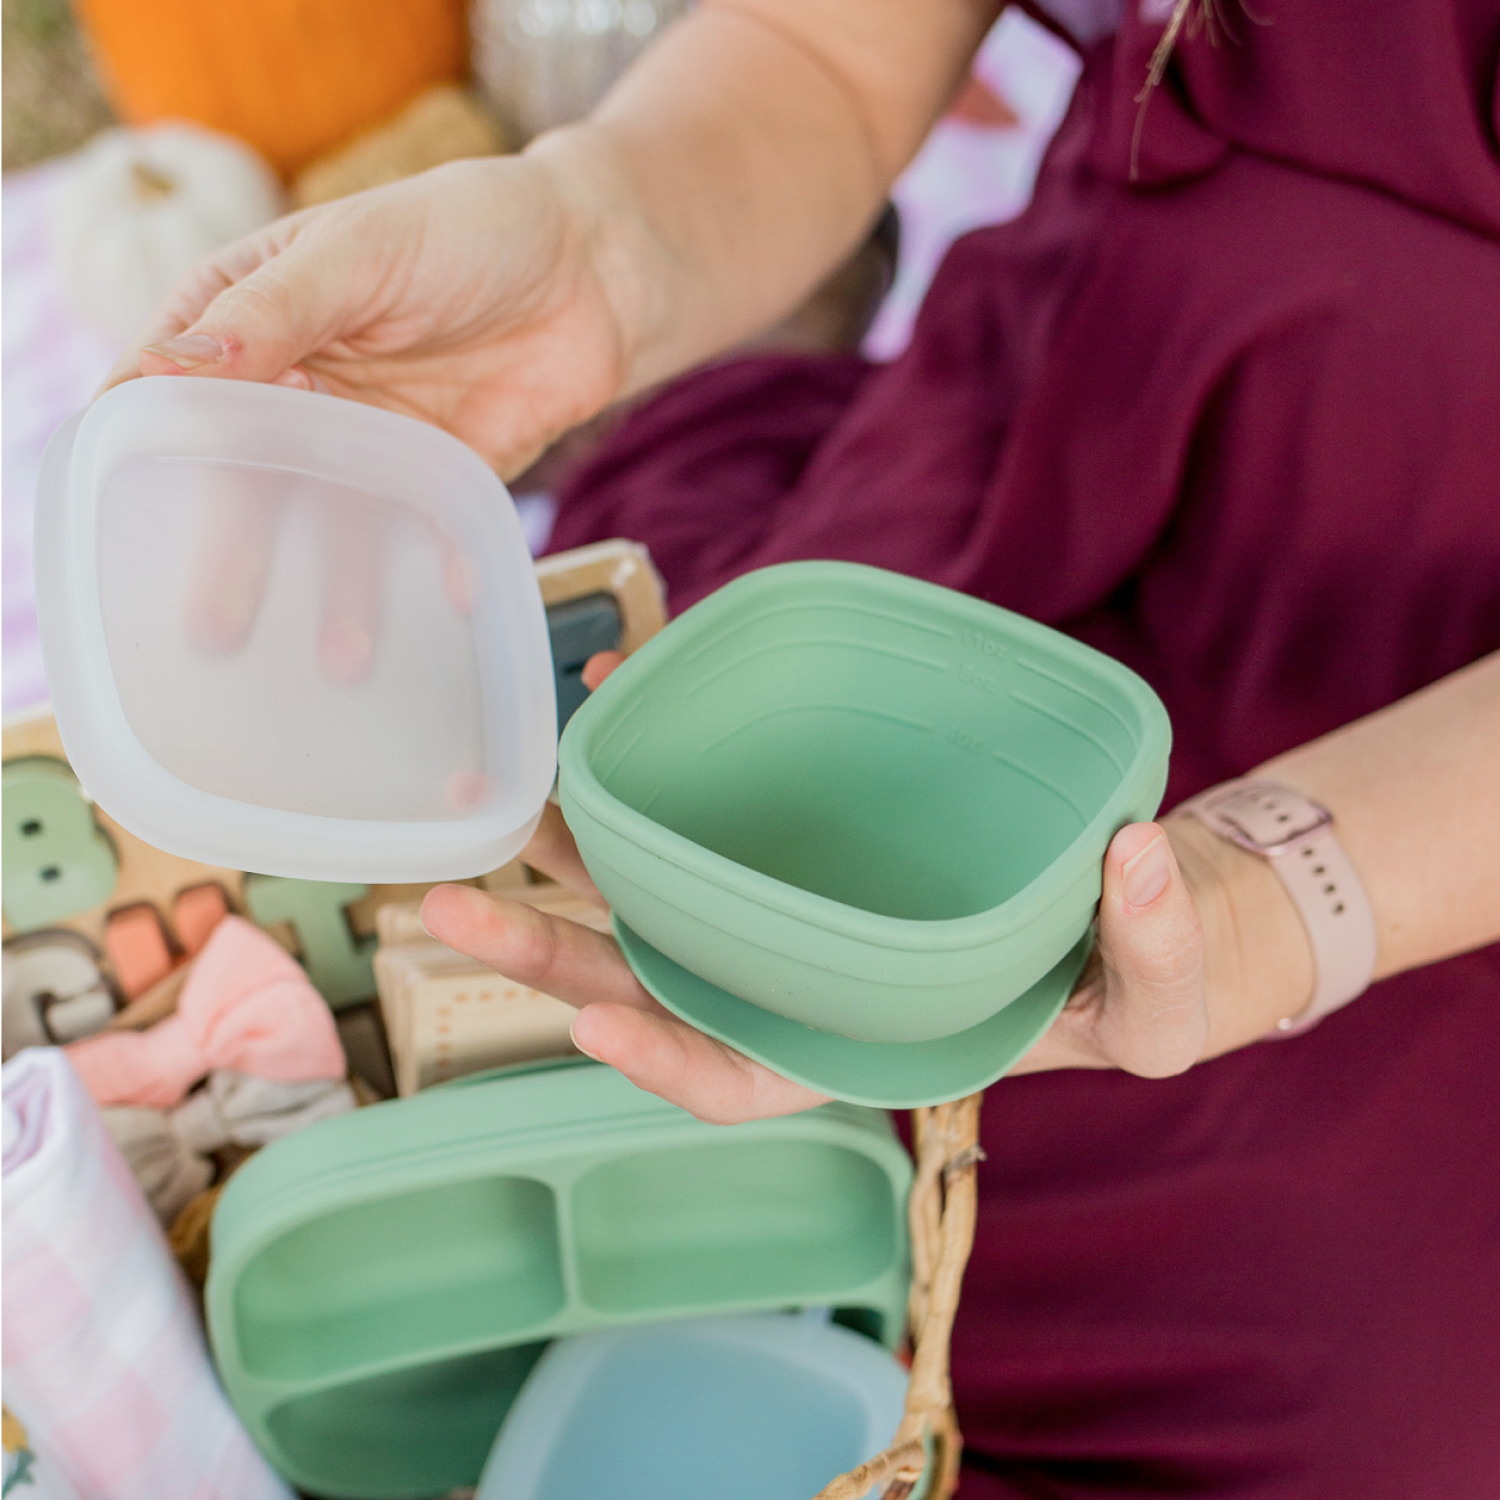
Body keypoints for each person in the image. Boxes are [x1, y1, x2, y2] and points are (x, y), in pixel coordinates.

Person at [106, 0, 1500, 1493]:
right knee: (696, 841)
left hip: (1426, 783)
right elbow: (830, 52)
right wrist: (596, 235)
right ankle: (762, 381)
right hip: (1070, 413)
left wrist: (1262, 904)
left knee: (1273, 1394)